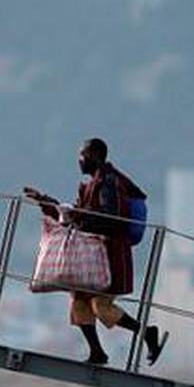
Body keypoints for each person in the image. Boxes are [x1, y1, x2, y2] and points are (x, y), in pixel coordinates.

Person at [24, 138, 168, 366]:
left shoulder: (109, 183)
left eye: (82, 155)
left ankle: (147, 333)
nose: (79, 160)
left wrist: (80, 219)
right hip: (93, 258)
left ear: (95, 156)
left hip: (111, 256)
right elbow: (74, 215)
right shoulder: (92, 185)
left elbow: (110, 220)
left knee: (101, 306)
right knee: (79, 303)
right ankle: (97, 352)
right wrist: (46, 201)